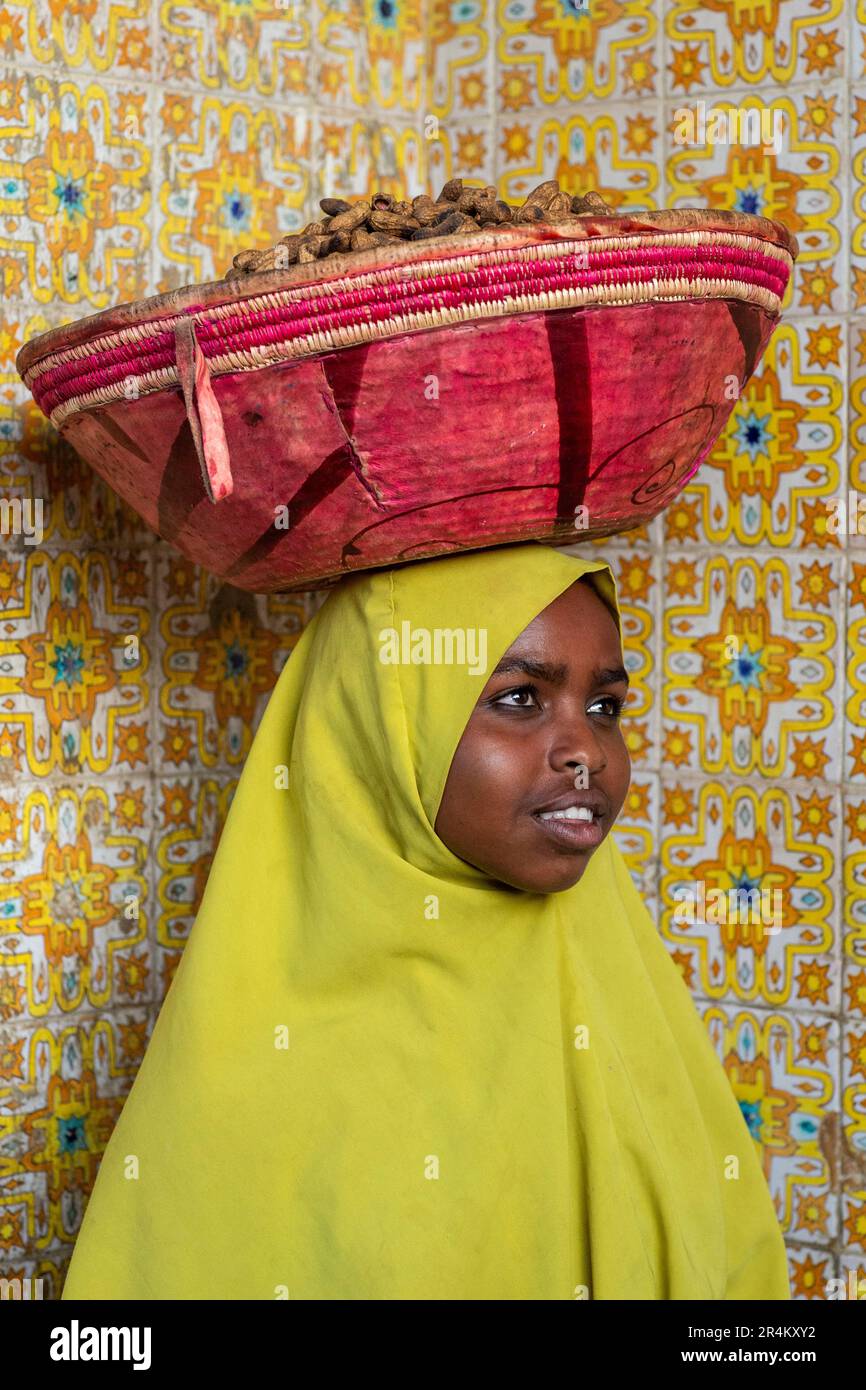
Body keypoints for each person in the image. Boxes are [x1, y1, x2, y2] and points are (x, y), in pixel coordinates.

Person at [61, 541, 790, 1300]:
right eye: (519, 698)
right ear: (376, 726)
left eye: (604, 707)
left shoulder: (628, 1001)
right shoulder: (245, 1084)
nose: (587, 754)